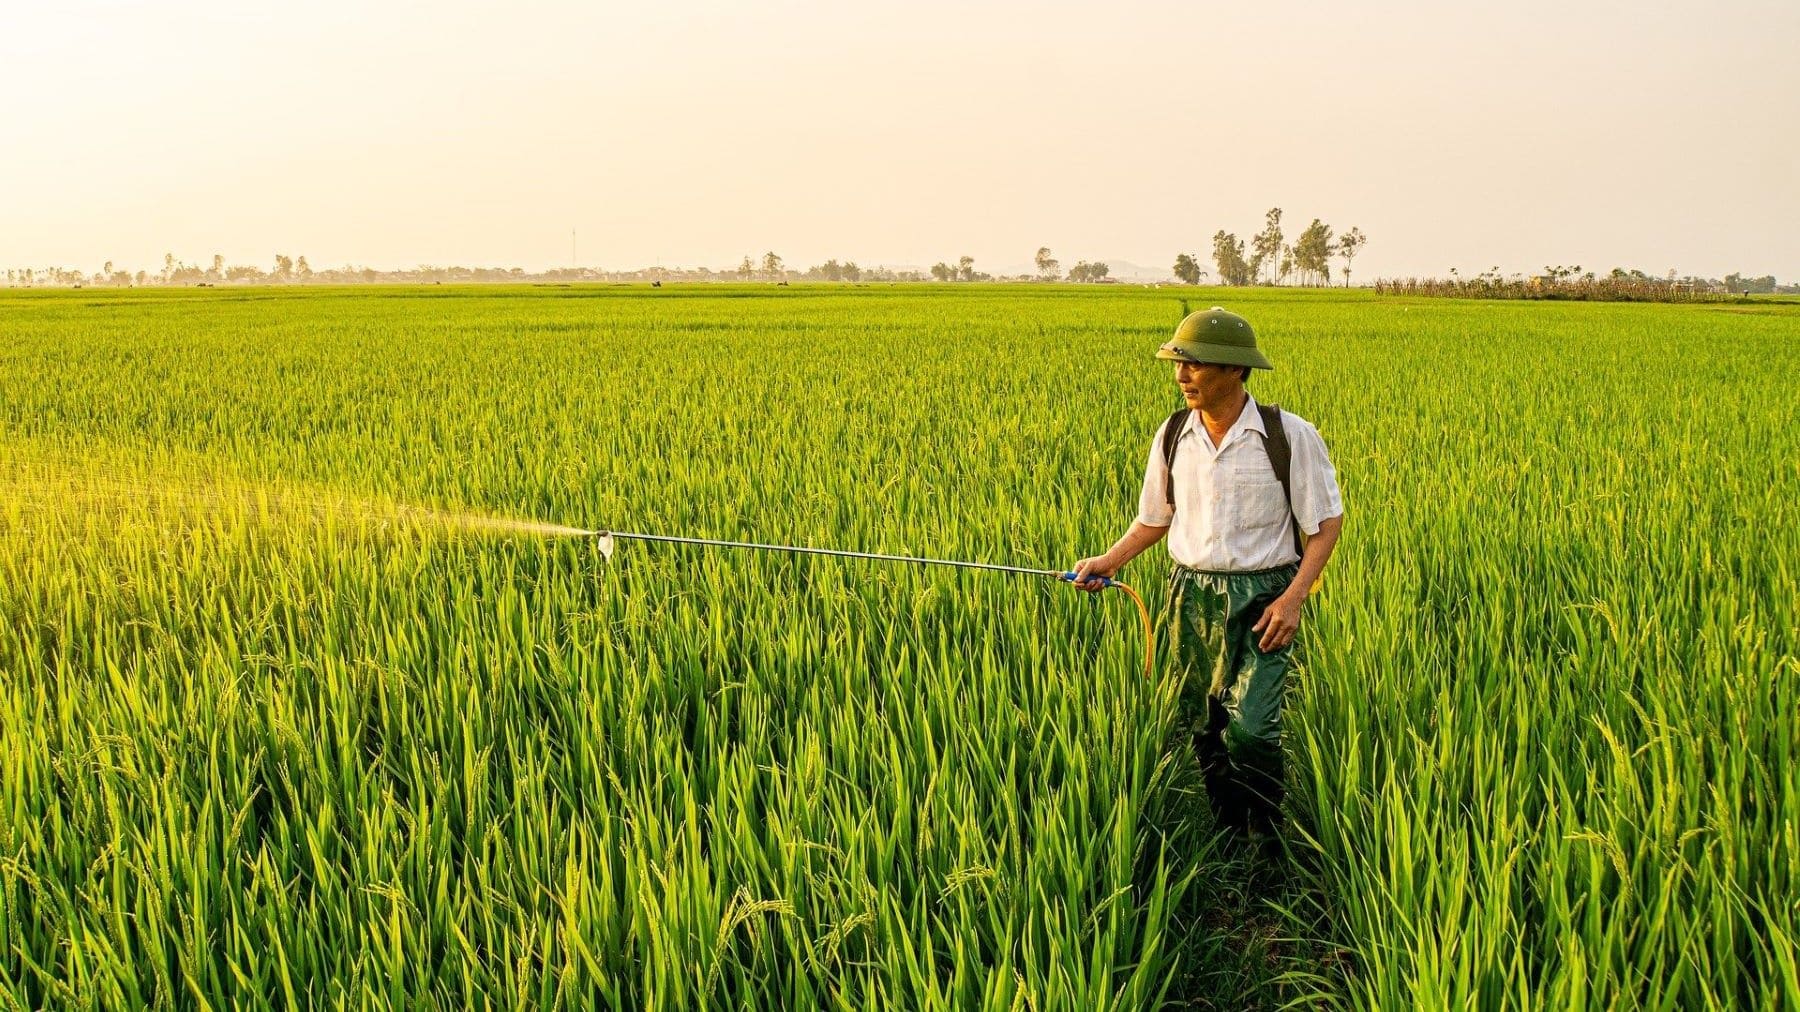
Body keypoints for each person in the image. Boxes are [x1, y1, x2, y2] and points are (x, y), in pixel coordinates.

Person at [1072, 307, 1344, 848]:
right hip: (1191, 596)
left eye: (1195, 364)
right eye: (1178, 364)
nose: (1182, 376)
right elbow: (1155, 519)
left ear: (1236, 370)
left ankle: (1265, 832)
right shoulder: (1174, 434)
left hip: (1265, 598)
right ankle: (1227, 829)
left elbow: (1326, 524)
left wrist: (1294, 598)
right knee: (1204, 723)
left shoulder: (1288, 435)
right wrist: (1111, 560)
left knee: (1253, 730)